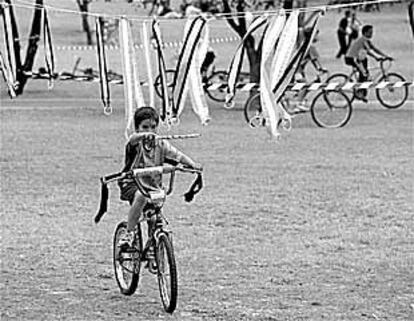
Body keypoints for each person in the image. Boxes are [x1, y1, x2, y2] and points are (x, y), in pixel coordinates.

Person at [118, 107, 202, 250]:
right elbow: (131, 139)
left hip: (152, 185)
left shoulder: (161, 144)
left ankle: (154, 248)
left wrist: (193, 165)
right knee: (141, 198)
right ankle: (129, 233)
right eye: (145, 127)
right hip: (133, 183)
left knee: (155, 216)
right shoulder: (135, 144)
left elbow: (178, 156)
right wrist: (142, 136)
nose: (150, 130)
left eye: (153, 127)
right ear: (137, 128)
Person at [344, 24, 392, 102]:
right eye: (370, 32)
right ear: (365, 33)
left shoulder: (366, 41)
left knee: (365, 73)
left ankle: (362, 92)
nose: (371, 34)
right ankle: (360, 92)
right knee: (364, 73)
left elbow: (375, 49)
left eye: (372, 32)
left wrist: (385, 56)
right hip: (352, 58)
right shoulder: (363, 40)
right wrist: (376, 57)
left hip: (359, 58)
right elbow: (369, 51)